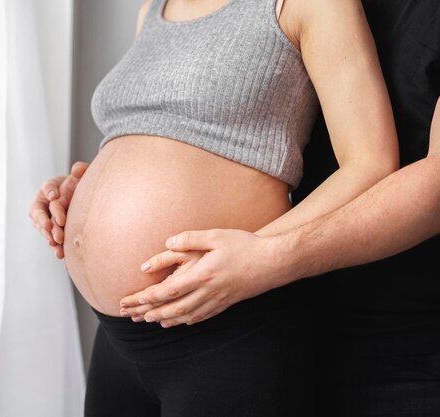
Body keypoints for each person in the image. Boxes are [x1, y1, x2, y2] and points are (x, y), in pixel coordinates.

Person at [29, 0, 399, 415]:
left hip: (227, 330)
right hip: (119, 339)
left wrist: (259, 251)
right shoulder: (154, 8)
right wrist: (79, 188)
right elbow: (163, 135)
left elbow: (371, 163)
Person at [116, 1, 440, 415]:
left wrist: (264, 253)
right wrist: (98, 181)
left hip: (399, 340)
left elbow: (426, 183)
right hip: (271, 311)